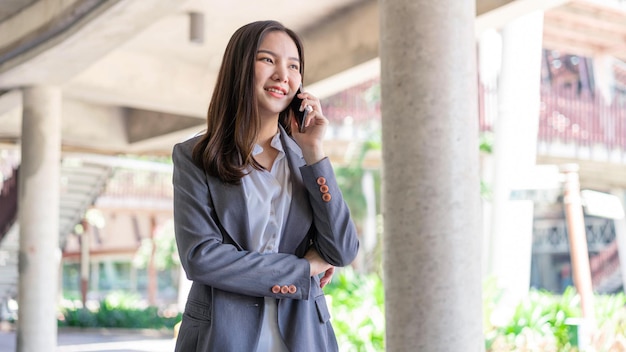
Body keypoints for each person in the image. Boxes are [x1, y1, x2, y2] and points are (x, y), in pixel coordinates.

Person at [172, 20, 360, 352]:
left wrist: (314, 152)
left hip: (304, 338)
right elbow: (202, 258)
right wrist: (303, 270)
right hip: (221, 338)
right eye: (267, 60)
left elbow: (342, 250)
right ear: (240, 68)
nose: (282, 75)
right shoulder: (194, 156)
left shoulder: (306, 158)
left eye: (293, 66)